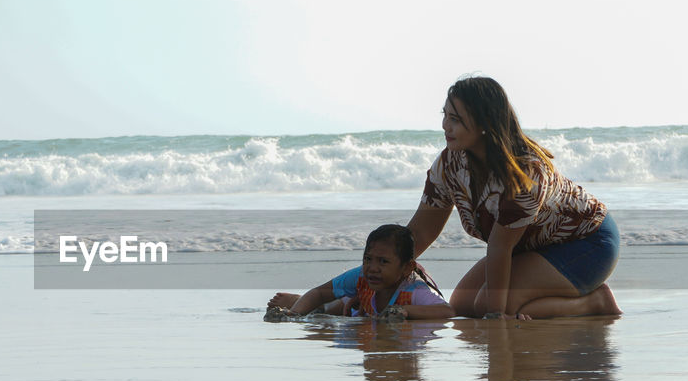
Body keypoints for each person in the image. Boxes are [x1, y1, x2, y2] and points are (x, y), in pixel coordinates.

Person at [406, 76, 621, 319]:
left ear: (484, 122)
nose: (445, 125)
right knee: (463, 304)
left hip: (586, 243)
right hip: (533, 246)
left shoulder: (525, 172)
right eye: (444, 115)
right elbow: (420, 232)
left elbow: (500, 246)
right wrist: (374, 273)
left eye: (455, 119)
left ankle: (594, 302)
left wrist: (497, 315)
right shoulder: (450, 164)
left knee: (489, 305)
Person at [266, 224, 455, 321]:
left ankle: (315, 303)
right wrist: (294, 315)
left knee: (347, 308)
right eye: (368, 259)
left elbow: (447, 310)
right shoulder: (362, 275)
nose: (372, 267)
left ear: (406, 268)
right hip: (361, 305)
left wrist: (404, 310)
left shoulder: (414, 290)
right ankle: (303, 303)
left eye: (383, 261)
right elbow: (319, 292)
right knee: (340, 310)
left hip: (376, 317)